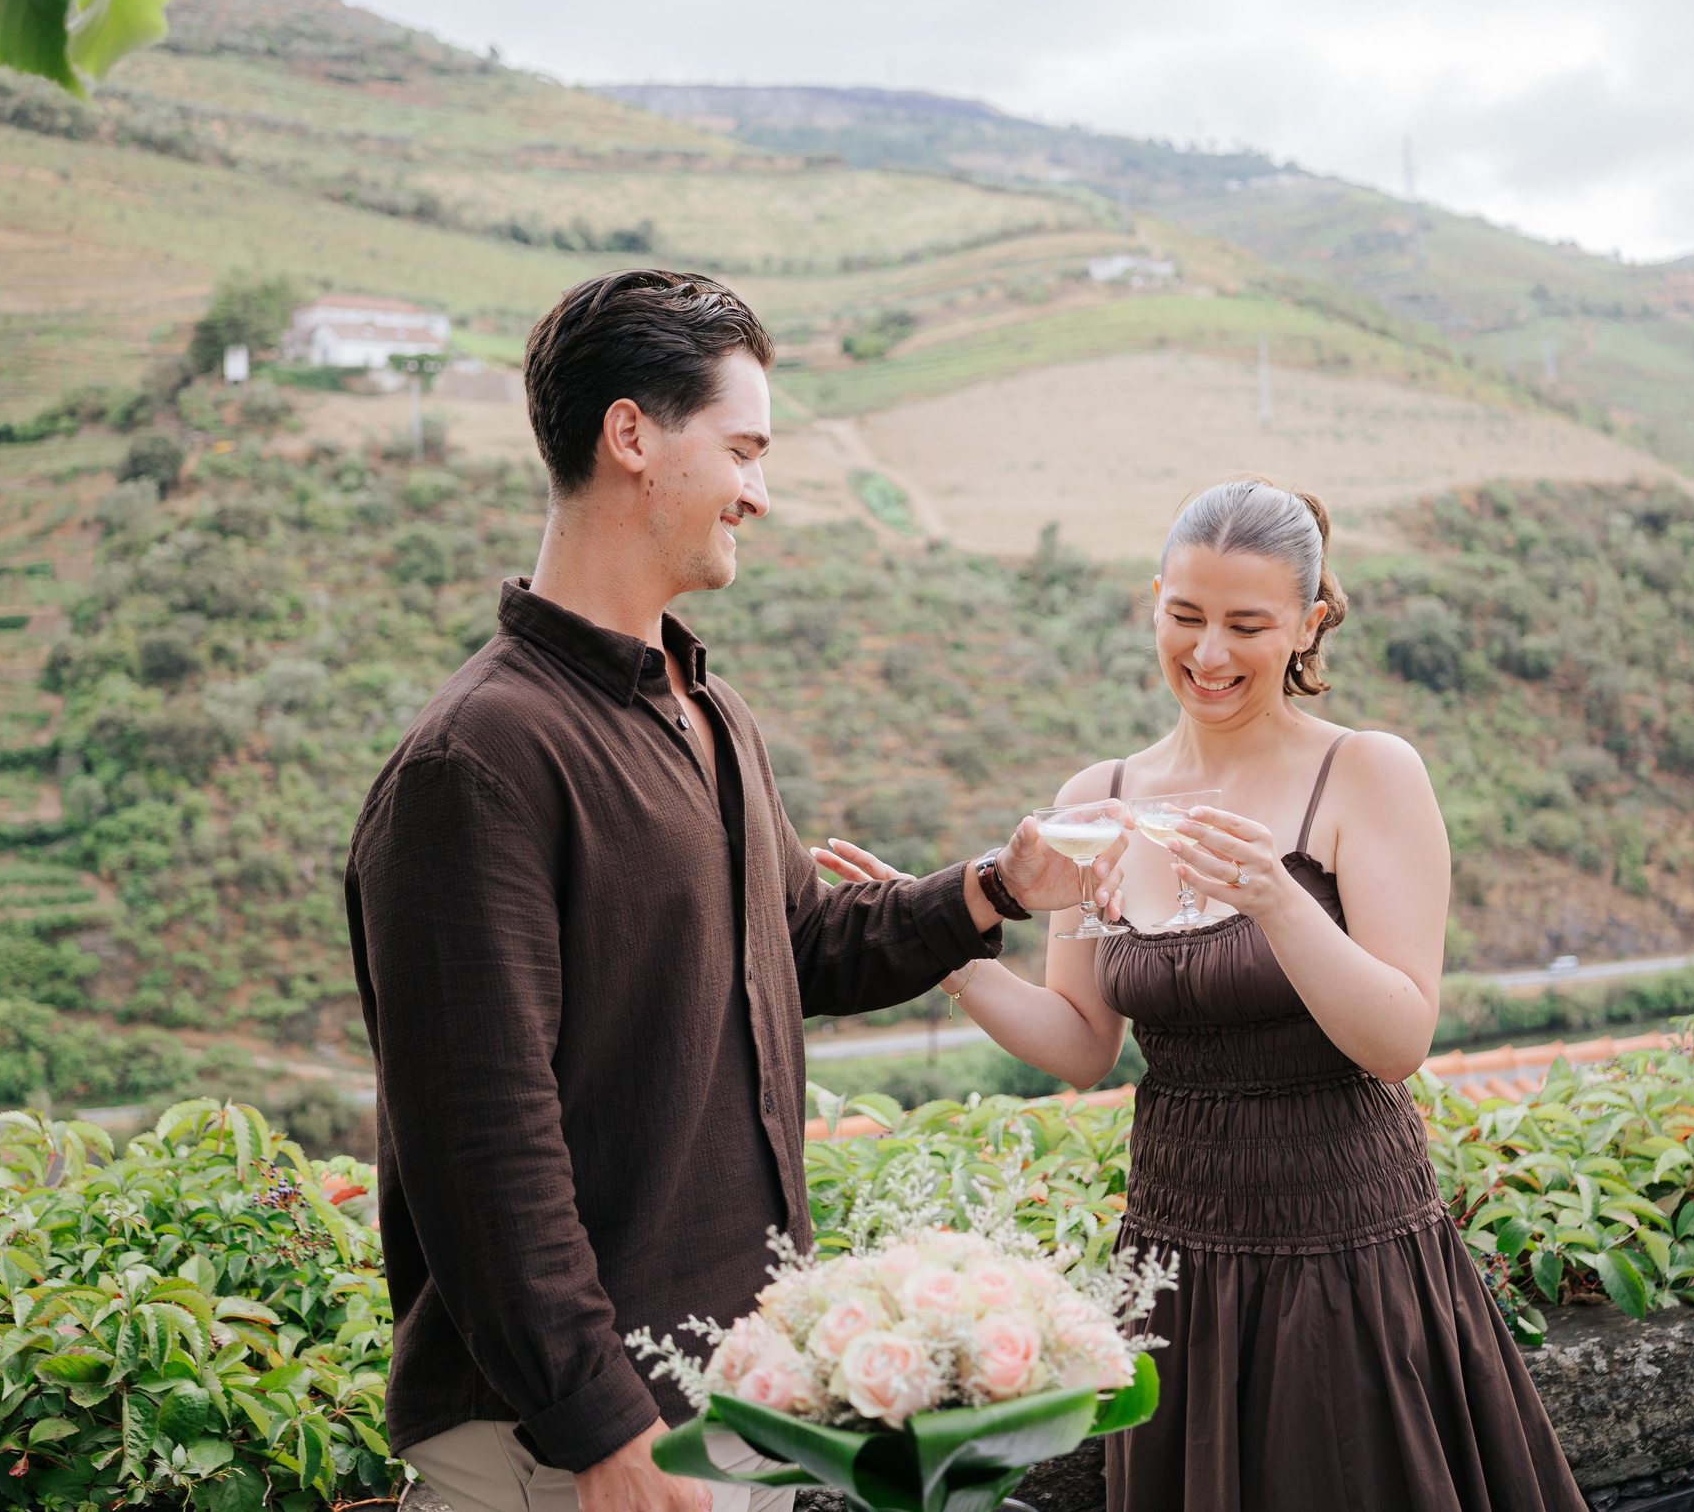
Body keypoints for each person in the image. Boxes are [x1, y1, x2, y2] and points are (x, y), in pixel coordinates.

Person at [345, 271, 1123, 1512]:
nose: (761, 492)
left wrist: (995, 887)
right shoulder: (478, 762)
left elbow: (798, 944)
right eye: (744, 450)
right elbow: (481, 1148)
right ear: (631, 436)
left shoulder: (708, 712)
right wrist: (603, 1430)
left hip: (732, 1389)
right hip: (564, 1446)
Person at [908, 479, 1586, 1511]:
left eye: (1247, 625)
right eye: (1184, 615)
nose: (1209, 653)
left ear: (1309, 623)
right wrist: (944, 950)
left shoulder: (1365, 774)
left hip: (1344, 1248)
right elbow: (1083, 1042)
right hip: (1173, 1251)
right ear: (1153, 602)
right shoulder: (1098, 801)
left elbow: (1399, 1038)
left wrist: (1276, 899)